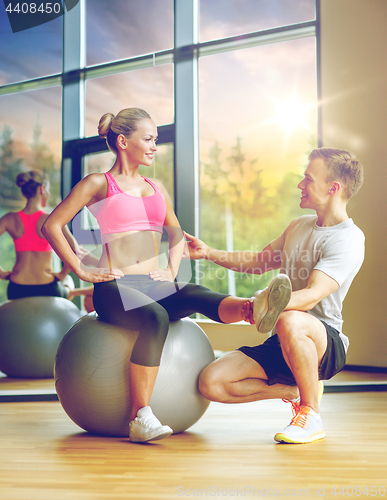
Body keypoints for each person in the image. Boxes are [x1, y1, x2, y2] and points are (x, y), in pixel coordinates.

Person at [42, 107, 259, 444]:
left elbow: (176, 233)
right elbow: (51, 225)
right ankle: (139, 417)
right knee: (155, 318)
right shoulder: (99, 183)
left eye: (156, 139)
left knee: (196, 292)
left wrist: (171, 270)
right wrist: (82, 269)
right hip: (115, 287)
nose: (155, 146)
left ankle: (252, 309)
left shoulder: (156, 187)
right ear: (123, 141)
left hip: (153, 283)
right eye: (149, 139)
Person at [184, 147, 365, 444]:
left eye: (307, 179)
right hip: (283, 338)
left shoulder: (348, 238)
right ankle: (292, 391)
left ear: (334, 188)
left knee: (292, 319)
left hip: (324, 342)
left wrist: (267, 304)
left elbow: (312, 295)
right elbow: (257, 262)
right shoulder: (298, 226)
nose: (300, 185)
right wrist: (208, 253)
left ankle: (311, 413)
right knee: (211, 383)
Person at [0, 170, 94, 312]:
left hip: (17, 287)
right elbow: (75, 250)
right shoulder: (52, 219)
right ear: (42, 189)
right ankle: (70, 291)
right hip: (47, 287)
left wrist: (1, 273)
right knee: (68, 282)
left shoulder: (9, 218)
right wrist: (62, 275)